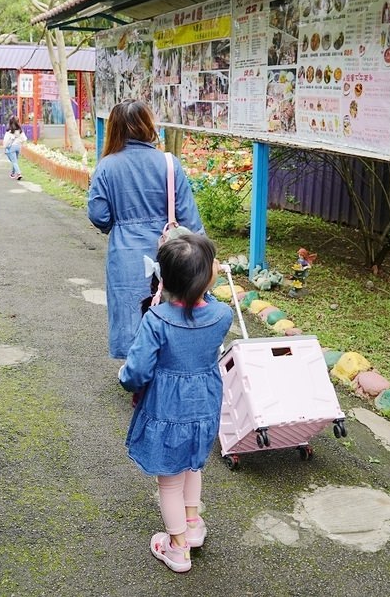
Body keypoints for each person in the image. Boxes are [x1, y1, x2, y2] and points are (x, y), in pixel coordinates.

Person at [117, 233, 232, 574]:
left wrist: (125, 377)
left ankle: (178, 547)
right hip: (204, 406)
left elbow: (135, 372)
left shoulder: (157, 320)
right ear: (204, 279)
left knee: (169, 479)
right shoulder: (222, 315)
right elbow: (202, 305)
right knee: (192, 465)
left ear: (164, 279)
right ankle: (193, 524)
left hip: (167, 410)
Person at [87, 99, 204, 359]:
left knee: (130, 312)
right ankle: (167, 365)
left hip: (125, 253)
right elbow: (190, 218)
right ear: (147, 124)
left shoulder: (106, 166)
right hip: (169, 253)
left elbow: (98, 215)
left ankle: (137, 371)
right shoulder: (169, 163)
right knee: (170, 308)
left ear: (114, 129)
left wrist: (117, 226)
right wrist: (203, 259)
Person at [3, 115, 25, 180]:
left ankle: (19, 173)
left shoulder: (9, 132)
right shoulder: (20, 131)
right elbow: (24, 139)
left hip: (11, 147)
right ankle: (12, 174)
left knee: (14, 161)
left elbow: (6, 141)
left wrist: (5, 147)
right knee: (14, 161)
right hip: (18, 147)